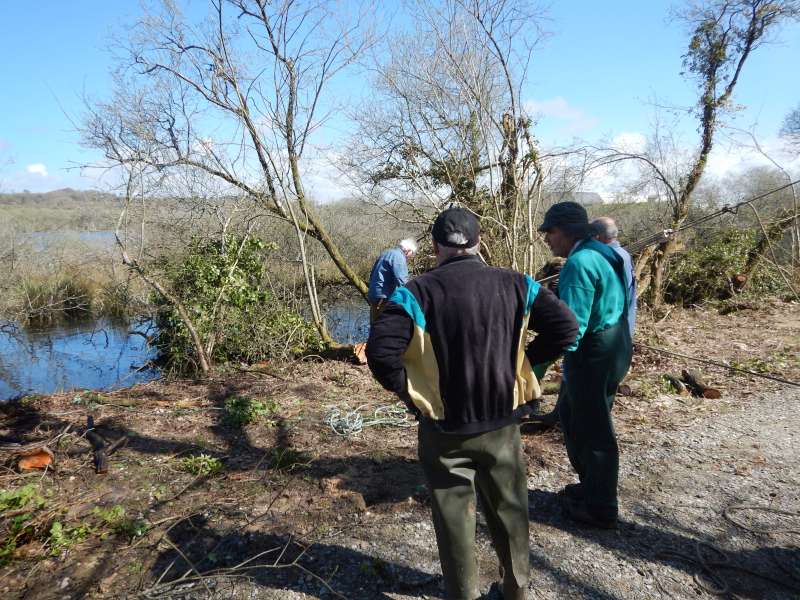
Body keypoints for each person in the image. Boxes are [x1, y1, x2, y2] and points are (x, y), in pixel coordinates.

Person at [367, 207, 578, 600]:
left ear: (435, 247)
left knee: (453, 517)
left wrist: (413, 396)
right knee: (511, 510)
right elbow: (567, 328)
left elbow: (381, 355)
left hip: (444, 428)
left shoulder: (414, 293)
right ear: (480, 242)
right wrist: (526, 366)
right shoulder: (517, 284)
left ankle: (463, 593)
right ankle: (517, 592)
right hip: (503, 424)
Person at [539, 202, 633, 529]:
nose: (546, 239)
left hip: (596, 351)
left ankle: (601, 508)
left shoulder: (579, 263)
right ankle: (591, 486)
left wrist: (538, 364)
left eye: (549, 231)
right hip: (617, 342)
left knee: (591, 427)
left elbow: (572, 326)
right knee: (573, 414)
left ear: (564, 230)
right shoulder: (604, 251)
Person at [592, 217, 636, 337]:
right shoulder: (624, 254)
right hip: (624, 329)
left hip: (609, 334)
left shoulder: (605, 259)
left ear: (597, 236)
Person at [367, 238, 417, 322]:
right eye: (412, 253)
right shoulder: (399, 258)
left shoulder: (386, 253)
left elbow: (372, 274)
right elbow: (402, 281)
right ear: (408, 251)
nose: (411, 257)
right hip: (383, 297)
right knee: (384, 326)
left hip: (375, 295)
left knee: (375, 327)